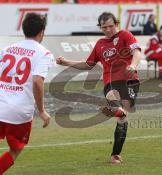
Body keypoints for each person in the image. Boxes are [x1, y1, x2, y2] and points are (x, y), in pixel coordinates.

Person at [56, 12, 141, 164]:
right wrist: (66, 62)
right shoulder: (100, 44)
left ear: (116, 24)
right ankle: (115, 155)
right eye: (104, 27)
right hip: (111, 82)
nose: (108, 30)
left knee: (123, 115)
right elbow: (88, 64)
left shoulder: (125, 35)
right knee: (114, 99)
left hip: (130, 80)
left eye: (110, 26)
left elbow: (137, 52)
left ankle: (118, 111)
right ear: (100, 27)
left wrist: (133, 65)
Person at [0, 13, 54, 174]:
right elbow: (37, 81)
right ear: (41, 32)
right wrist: (42, 111)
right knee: (15, 150)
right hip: (19, 113)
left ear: (23, 29)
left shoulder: (6, 50)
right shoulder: (44, 54)